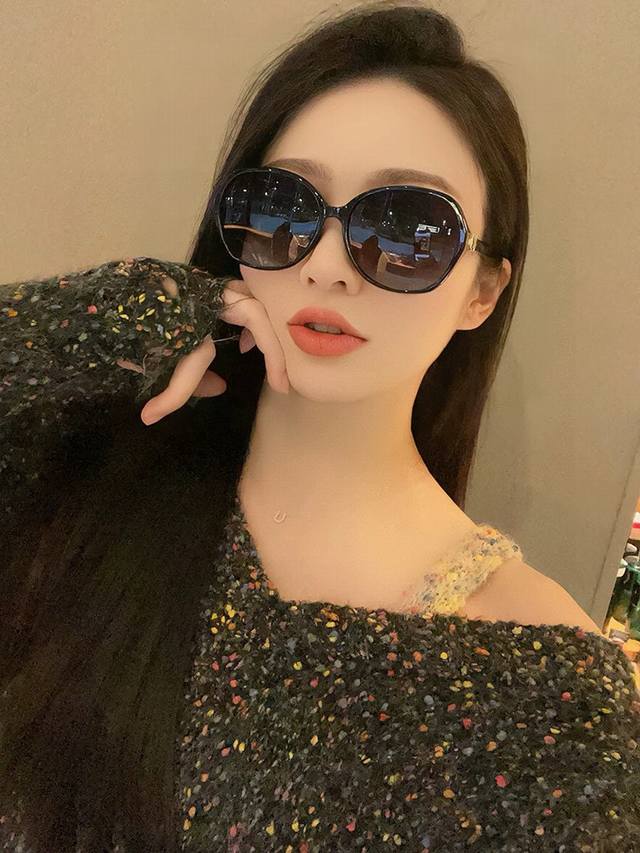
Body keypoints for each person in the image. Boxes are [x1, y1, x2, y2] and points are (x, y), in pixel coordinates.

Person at [2, 3, 639, 851]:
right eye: (283, 208)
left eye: (406, 229)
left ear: (483, 291)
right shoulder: (83, 474)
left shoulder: (547, 690)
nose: (327, 265)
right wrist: (122, 314)